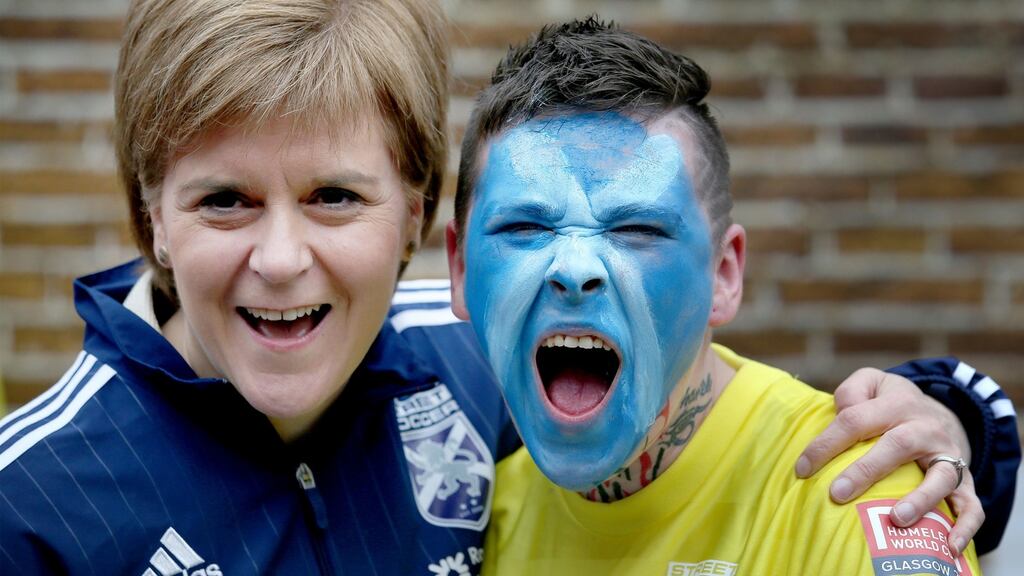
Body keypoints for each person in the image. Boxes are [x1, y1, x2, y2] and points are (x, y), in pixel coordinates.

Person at [0, 2, 1015, 574]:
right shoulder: (30, 507)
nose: (278, 257)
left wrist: (957, 416)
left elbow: (691, 389)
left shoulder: (471, 359)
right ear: (152, 216)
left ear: (414, 217)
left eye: (334, 197)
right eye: (223, 201)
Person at [444, 17, 1019, 574]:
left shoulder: (859, 490)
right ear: (460, 267)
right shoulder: (467, 523)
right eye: (524, 228)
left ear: (724, 274)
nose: (574, 268)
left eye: (636, 229)